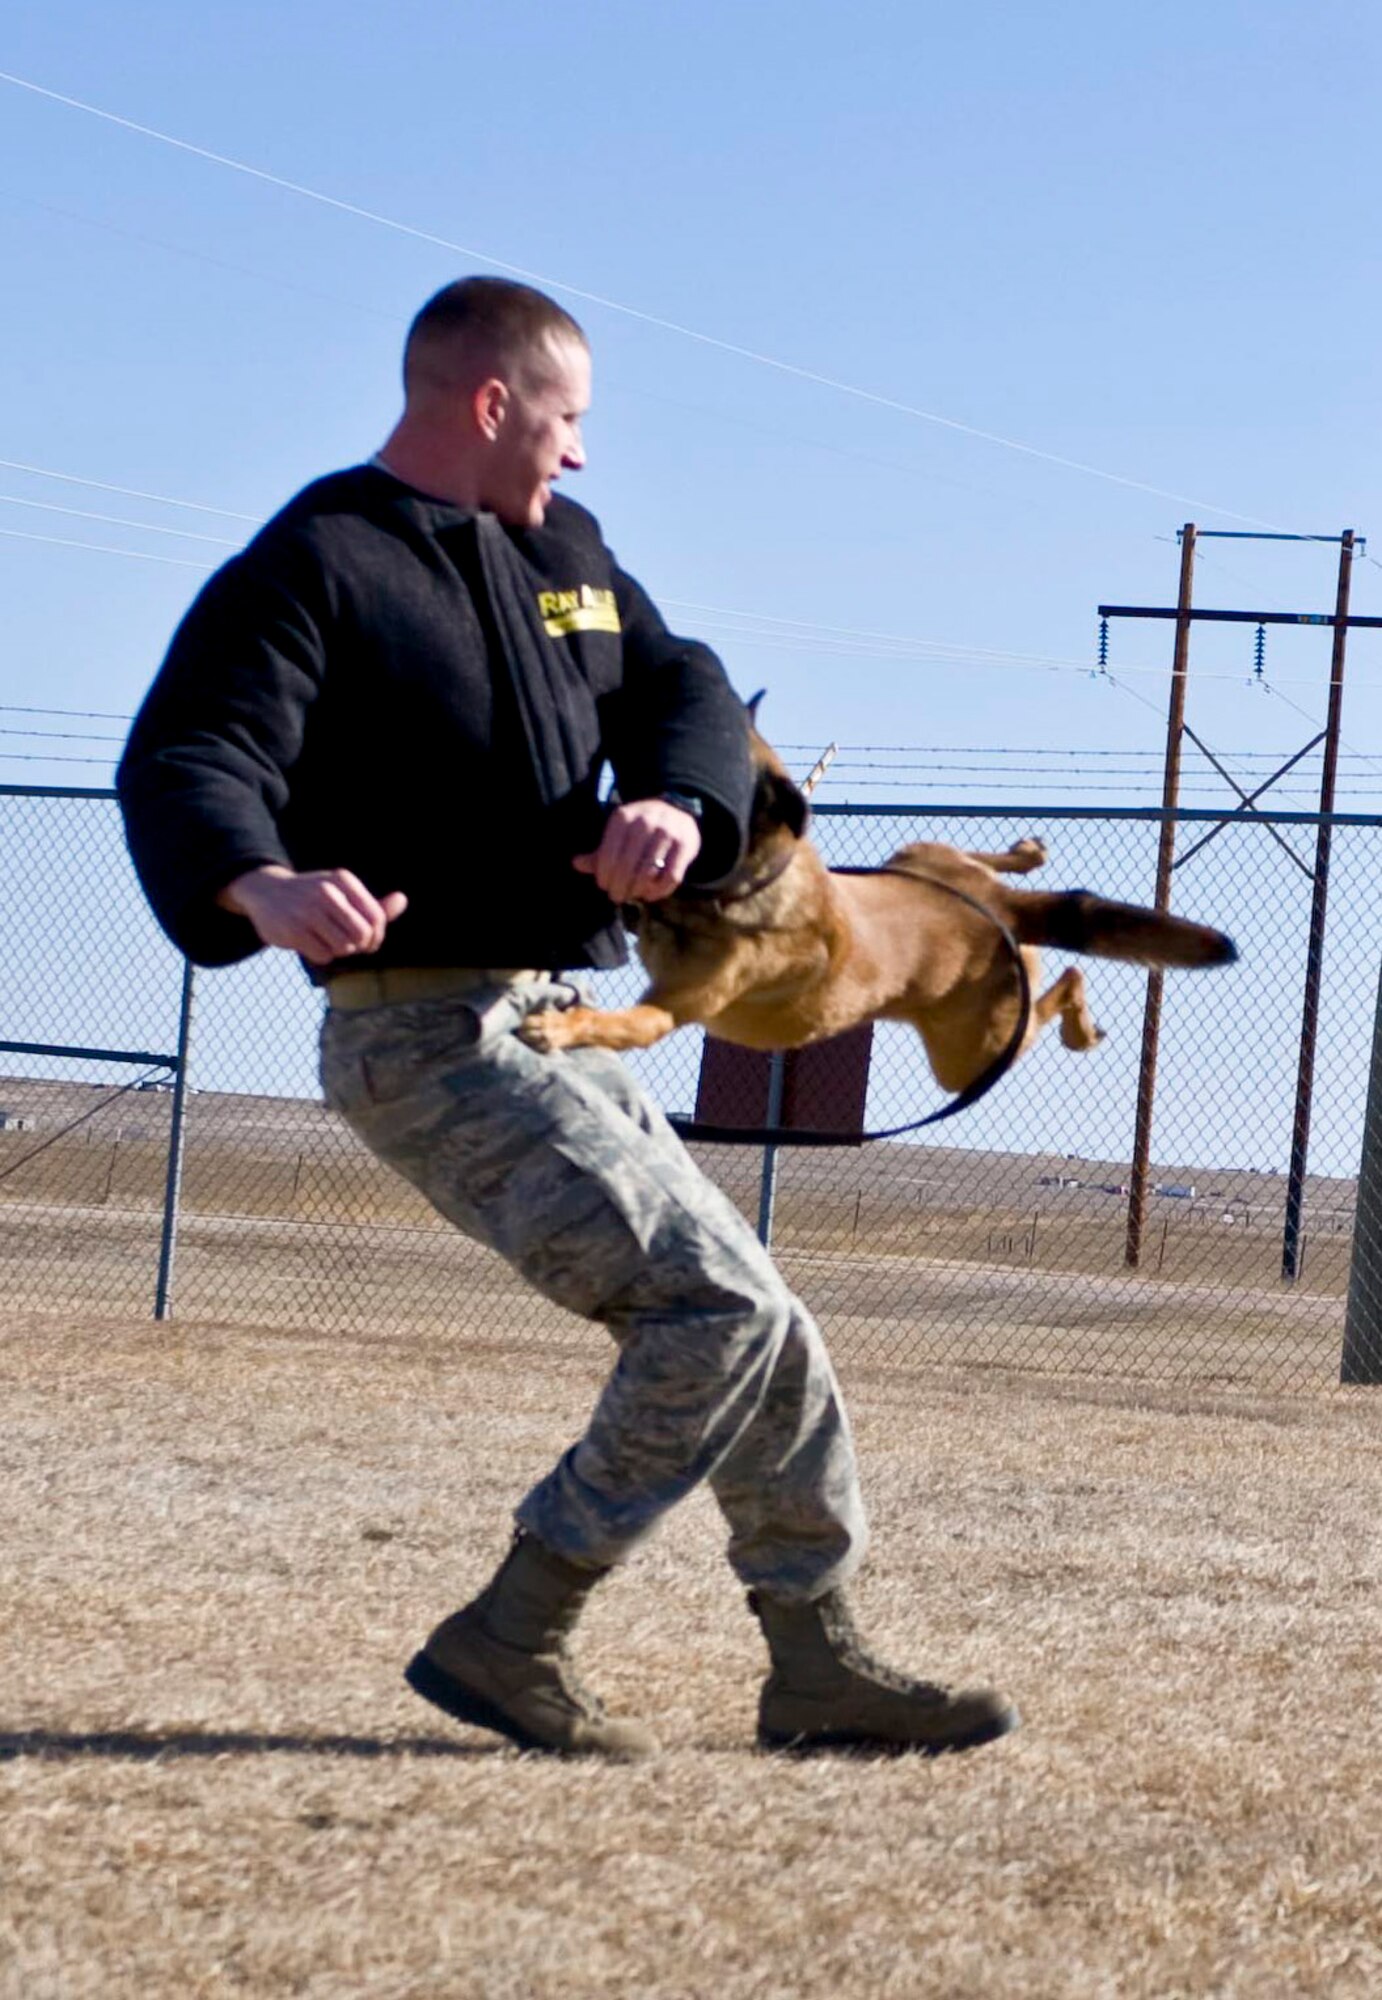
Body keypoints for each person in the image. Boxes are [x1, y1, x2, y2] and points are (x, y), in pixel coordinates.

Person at [118, 276, 1018, 1762]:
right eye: (567, 417)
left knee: (763, 1325)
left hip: (545, 1018)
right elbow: (191, 754)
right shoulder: (315, 564)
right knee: (709, 1308)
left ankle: (817, 1664)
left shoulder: (569, 557)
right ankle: (514, 1632)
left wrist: (675, 797)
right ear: (492, 403)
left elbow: (687, 685)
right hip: (421, 1034)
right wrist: (258, 882)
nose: (580, 454)